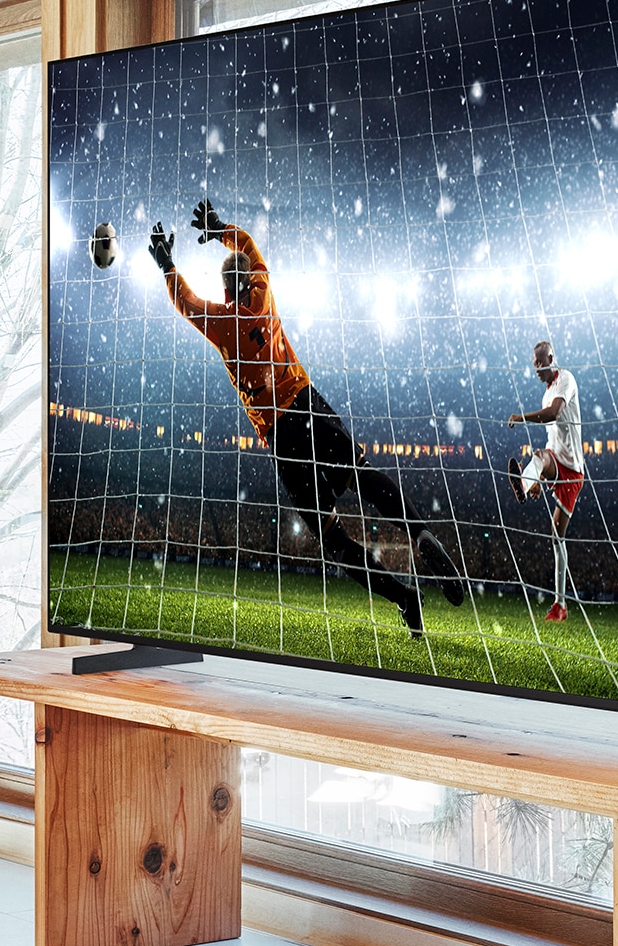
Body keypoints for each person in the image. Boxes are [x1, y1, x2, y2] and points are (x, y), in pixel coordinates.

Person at [149, 200, 463, 636]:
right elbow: (249, 247)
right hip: (307, 403)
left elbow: (184, 302)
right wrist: (221, 228)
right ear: (250, 279)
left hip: (279, 433)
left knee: (332, 537)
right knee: (361, 473)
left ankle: (403, 597)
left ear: (224, 291)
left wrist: (166, 262)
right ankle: (422, 534)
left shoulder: (221, 321)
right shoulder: (263, 291)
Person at [507, 340, 585, 623]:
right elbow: (552, 439)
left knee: (557, 536)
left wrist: (522, 417)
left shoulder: (565, 380)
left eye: (541, 363)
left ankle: (561, 605)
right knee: (539, 454)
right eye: (534, 365)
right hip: (555, 461)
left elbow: (553, 414)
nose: (537, 369)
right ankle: (525, 485)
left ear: (551, 358)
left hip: (573, 471)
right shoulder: (546, 392)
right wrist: (539, 476)